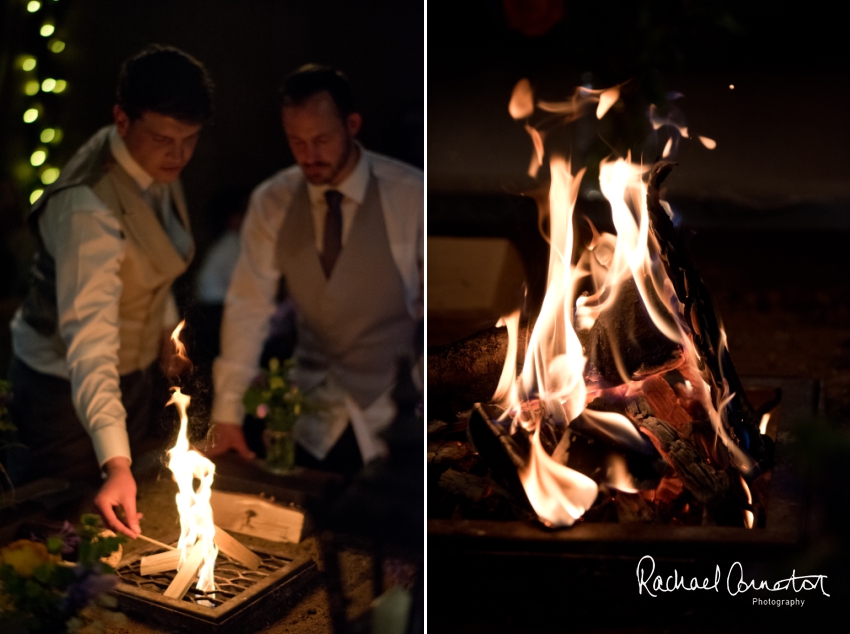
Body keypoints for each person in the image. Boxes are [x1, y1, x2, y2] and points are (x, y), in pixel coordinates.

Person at [7, 45, 213, 538]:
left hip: (130, 370)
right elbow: (90, 348)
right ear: (121, 119)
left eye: (190, 140)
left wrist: (164, 326)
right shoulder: (86, 211)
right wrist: (116, 465)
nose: (178, 154)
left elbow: (148, 251)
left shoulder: (154, 159)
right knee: (66, 531)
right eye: (165, 138)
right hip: (64, 390)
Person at [208, 64, 422, 475]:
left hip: (390, 410)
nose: (309, 156)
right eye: (296, 142)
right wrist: (228, 412)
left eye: (321, 140)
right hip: (307, 410)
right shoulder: (272, 200)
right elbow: (247, 307)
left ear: (352, 125)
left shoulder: (411, 195)